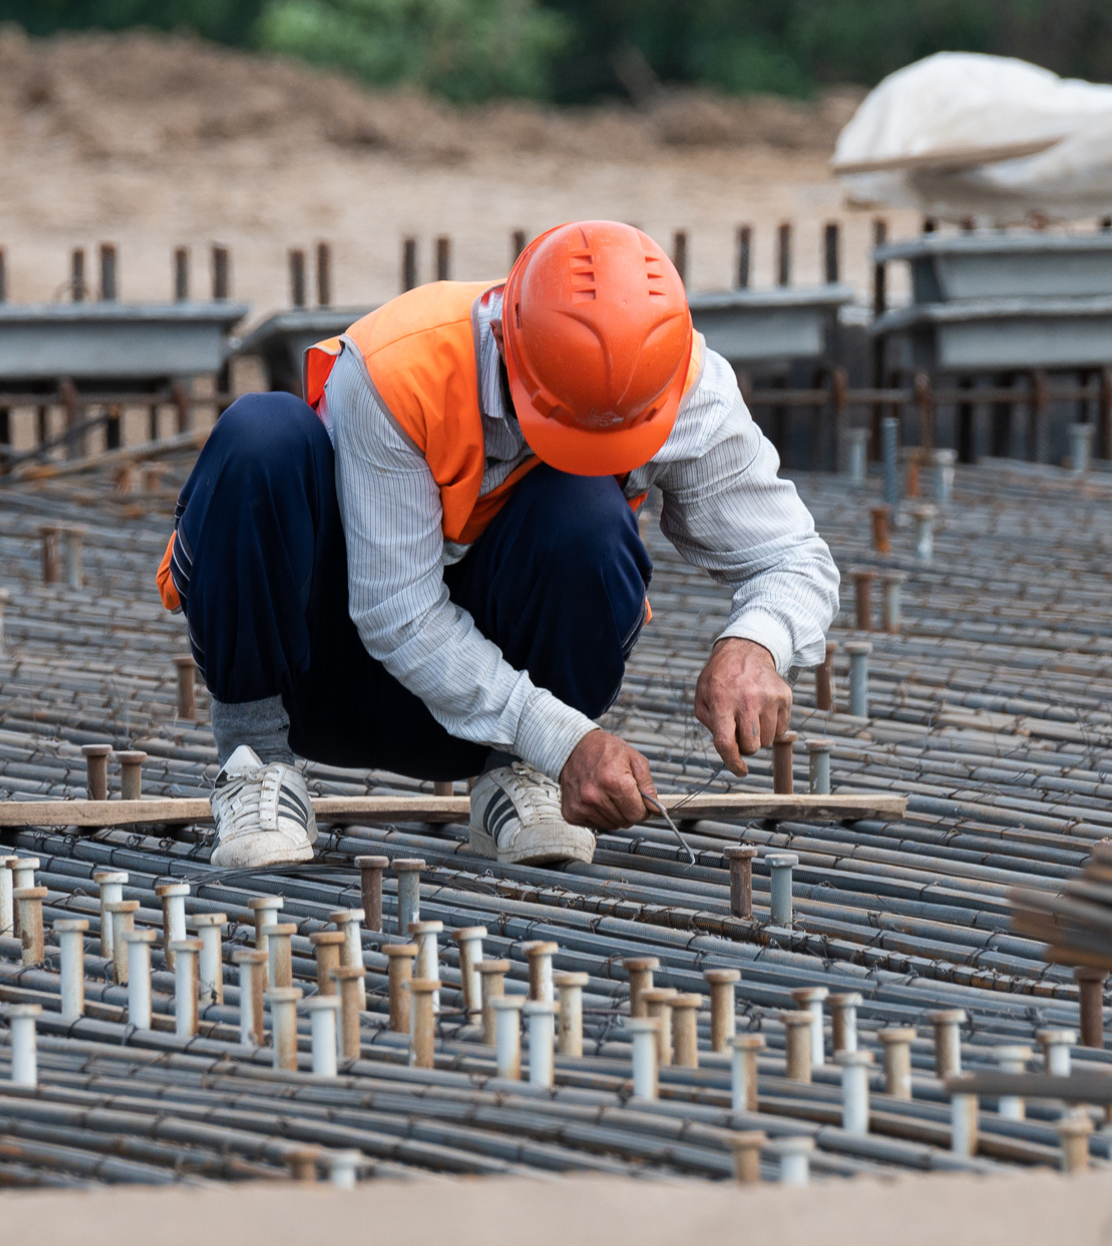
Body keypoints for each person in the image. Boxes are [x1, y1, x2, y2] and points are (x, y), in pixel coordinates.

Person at [158, 219, 837, 868]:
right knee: (261, 435)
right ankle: (255, 767)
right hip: (321, 679)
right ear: (509, 348)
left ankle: (518, 780)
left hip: (496, 728)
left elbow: (794, 559)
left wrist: (755, 644)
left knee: (583, 509)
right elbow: (397, 614)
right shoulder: (401, 366)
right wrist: (568, 740)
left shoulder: (682, 383)